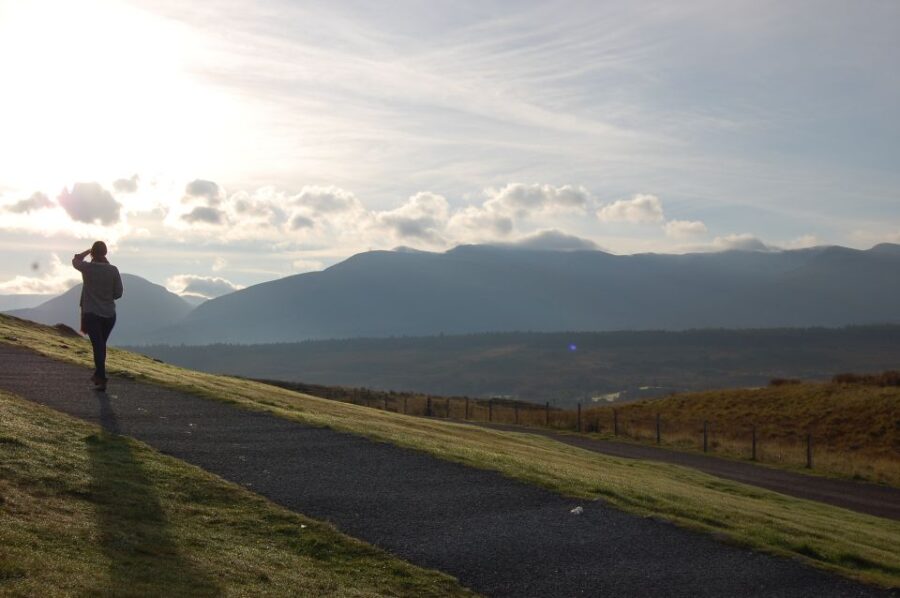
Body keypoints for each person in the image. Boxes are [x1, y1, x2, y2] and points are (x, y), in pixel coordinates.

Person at [72, 241, 124, 391]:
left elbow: (75, 260)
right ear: (106, 253)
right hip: (109, 315)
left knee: (98, 346)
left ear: (93, 253)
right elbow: (118, 293)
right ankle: (99, 376)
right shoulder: (113, 270)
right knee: (101, 346)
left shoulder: (87, 268)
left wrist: (87, 251)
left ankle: (101, 378)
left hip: (91, 314)